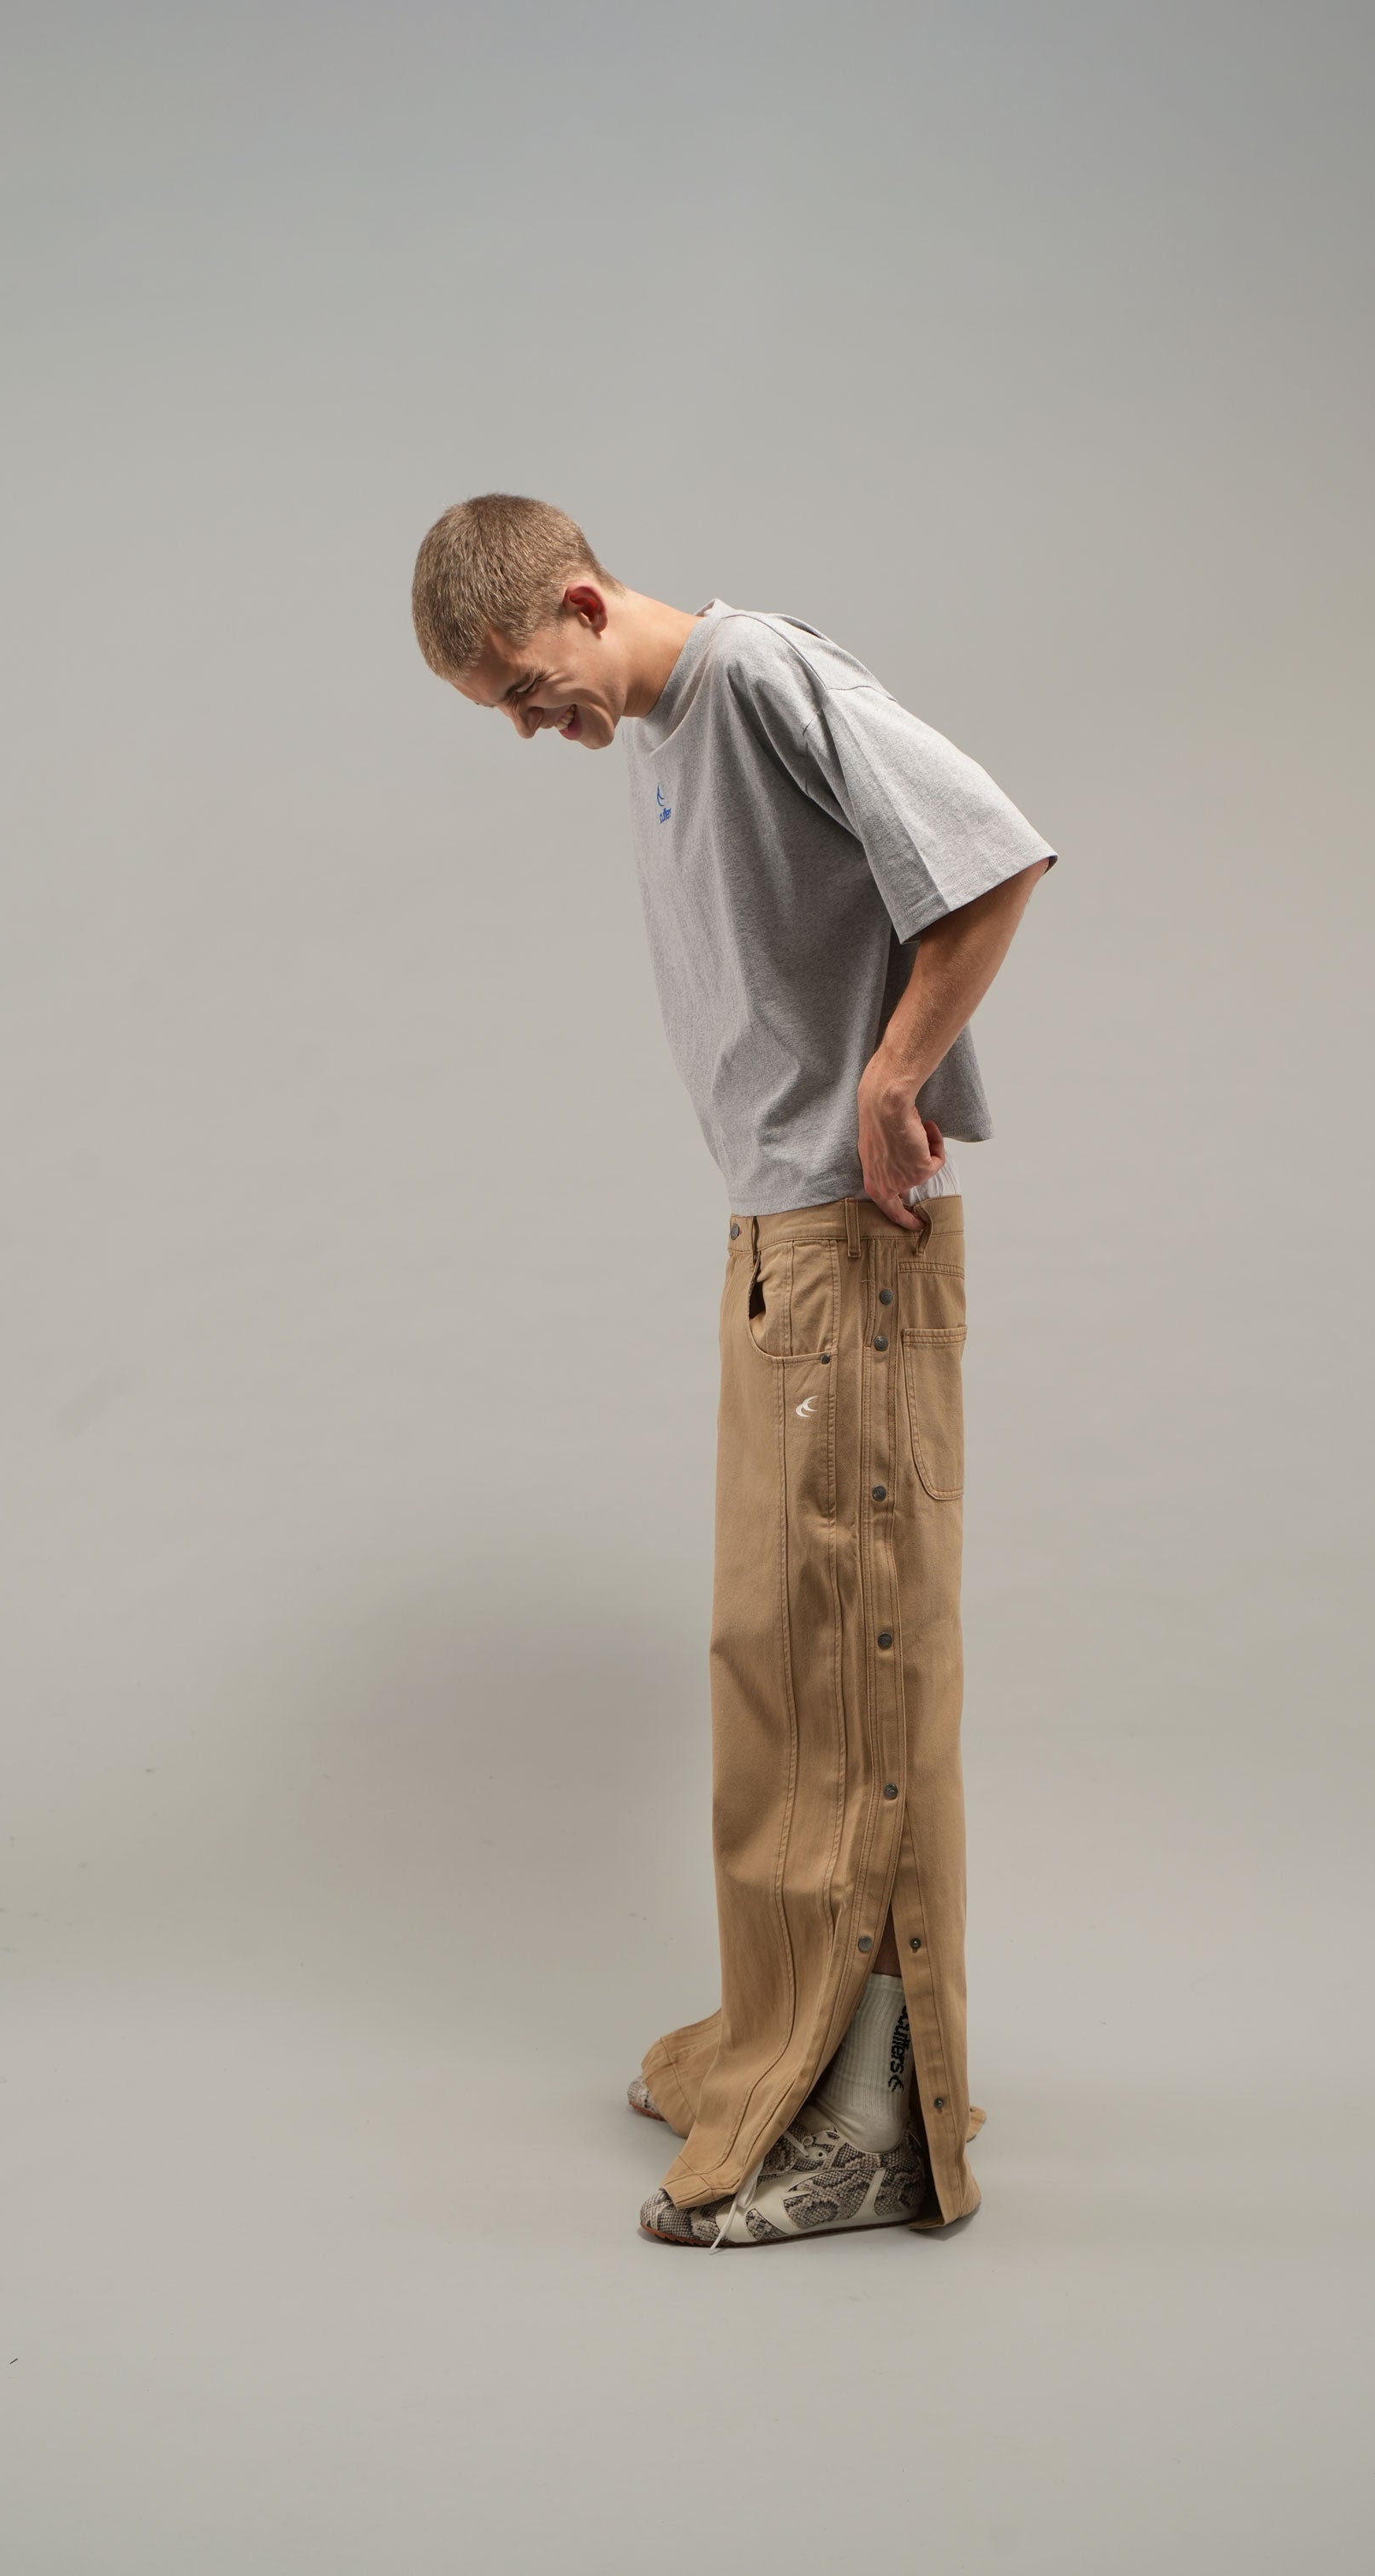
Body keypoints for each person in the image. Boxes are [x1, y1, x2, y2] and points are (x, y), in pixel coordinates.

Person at [410, 495, 1057, 2247]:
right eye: (502, 713)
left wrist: (891, 1075)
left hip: (849, 1240)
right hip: (775, 1237)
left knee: (856, 1670)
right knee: (776, 1667)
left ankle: (876, 2123)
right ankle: (783, 2035)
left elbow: (991, 852)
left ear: (578, 597)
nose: (533, 727)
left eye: (525, 688)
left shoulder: (756, 671)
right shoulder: (660, 732)